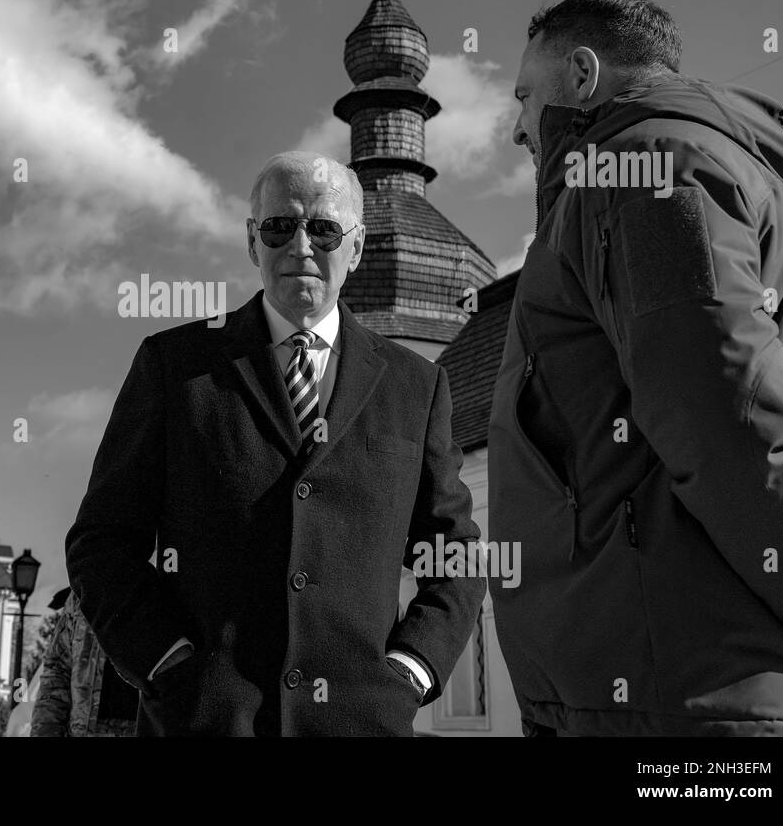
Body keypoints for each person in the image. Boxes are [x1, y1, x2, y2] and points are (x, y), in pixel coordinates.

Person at [490, 0, 783, 735]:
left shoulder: (647, 170)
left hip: (690, 706)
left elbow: (731, 423)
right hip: (660, 692)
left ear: (581, 74)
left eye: (522, 96)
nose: (517, 127)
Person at [66, 151, 486, 736]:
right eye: (280, 226)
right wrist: (165, 660)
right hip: (204, 722)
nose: (302, 247)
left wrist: (411, 669)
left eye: (325, 228)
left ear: (357, 248)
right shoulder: (175, 365)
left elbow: (454, 553)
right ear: (251, 242)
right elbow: (102, 540)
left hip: (362, 725)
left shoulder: (416, 385)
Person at [31, 587, 138, 737]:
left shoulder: (169, 579)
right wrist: (46, 731)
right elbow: (57, 669)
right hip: (86, 730)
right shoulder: (84, 588)